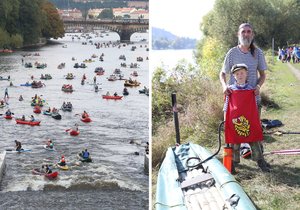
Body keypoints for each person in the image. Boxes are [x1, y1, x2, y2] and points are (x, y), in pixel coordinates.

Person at [220, 23, 270, 172]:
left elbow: (263, 75)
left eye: (249, 32)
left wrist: (258, 87)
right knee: (232, 130)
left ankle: (260, 160)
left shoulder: (258, 53)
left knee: (254, 129)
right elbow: (222, 73)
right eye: (244, 31)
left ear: (252, 35)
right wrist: (224, 86)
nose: (246, 34)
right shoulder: (232, 53)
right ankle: (232, 163)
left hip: (252, 100)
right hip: (234, 100)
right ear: (238, 34)